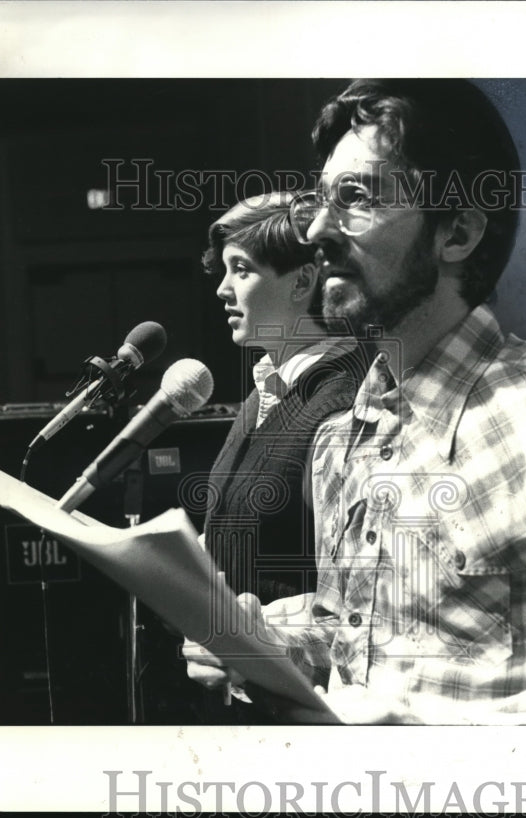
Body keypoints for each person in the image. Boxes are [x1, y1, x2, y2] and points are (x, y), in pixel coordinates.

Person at [187, 80, 526, 725]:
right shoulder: (342, 438)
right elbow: (361, 639)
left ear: (456, 232)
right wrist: (261, 643)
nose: (316, 229)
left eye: (357, 199)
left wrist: (428, 747)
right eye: (322, 200)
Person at [184, 191, 368, 718]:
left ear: (304, 281)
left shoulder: (343, 405)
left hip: (299, 710)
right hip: (241, 696)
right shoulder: (268, 389)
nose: (221, 289)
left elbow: (358, 600)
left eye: (241, 270)